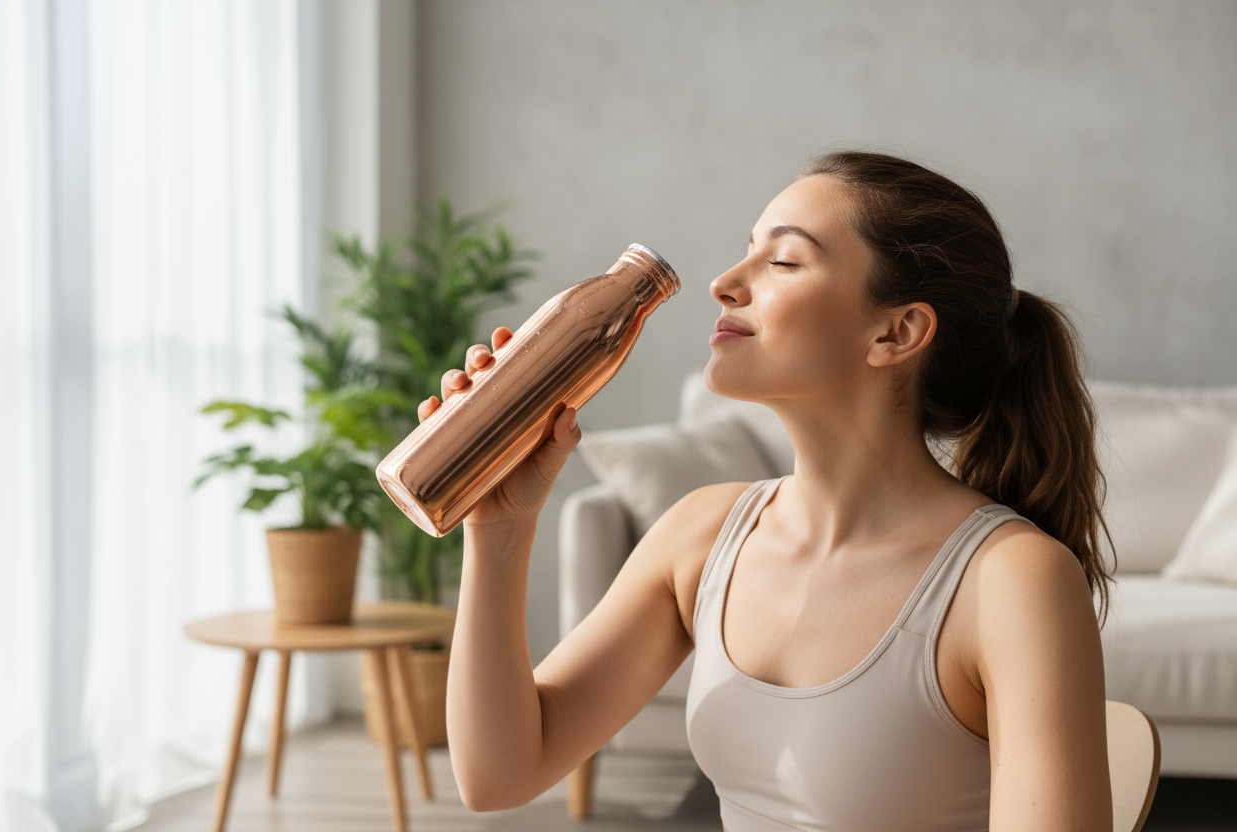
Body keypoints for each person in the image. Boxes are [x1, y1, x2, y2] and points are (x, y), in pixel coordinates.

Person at [424, 151, 1114, 831]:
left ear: (896, 331)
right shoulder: (703, 533)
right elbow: (499, 775)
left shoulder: (1010, 582)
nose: (724, 282)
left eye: (782, 261)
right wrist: (500, 530)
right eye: (746, 251)